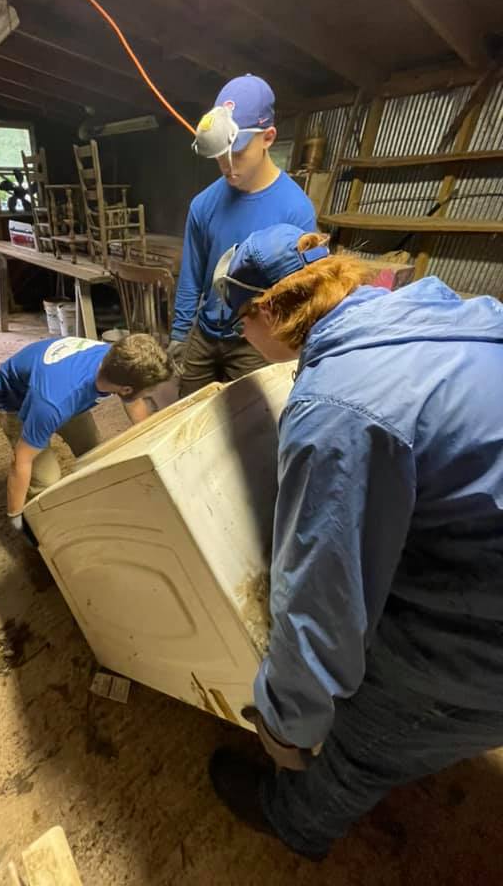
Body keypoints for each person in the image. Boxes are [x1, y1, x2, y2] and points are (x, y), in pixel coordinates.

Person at [207, 224, 503, 860]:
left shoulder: (337, 406)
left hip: (488, 621)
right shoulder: (438, 307)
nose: (245, 343)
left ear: (263, 312)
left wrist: (286, 724)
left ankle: (297, 820)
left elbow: (321, 604)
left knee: (372, 735)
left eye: (239, 327)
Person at [169, 75, 316, 397]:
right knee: (184, 417)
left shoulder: (296, 211)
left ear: (268, 137)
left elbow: (299, 296)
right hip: (205, 335)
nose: (227, 165)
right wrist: (180, 334)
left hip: (256, 343)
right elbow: (191, 276)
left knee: (250, 426)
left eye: (238, 153)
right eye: (220, 155)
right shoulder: (204, 204)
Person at [0, 333, 173, 528]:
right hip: (13, 401)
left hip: (59, 388)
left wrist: (153, 443)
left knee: (96, 455)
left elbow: (134, 401)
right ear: (126, 388)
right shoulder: (53, 404)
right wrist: (16, 518)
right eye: (148, 391)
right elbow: (21, 462)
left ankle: (95, 504)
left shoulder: (117, 359)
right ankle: (45, 528)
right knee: (47, 483)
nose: (147, 395)